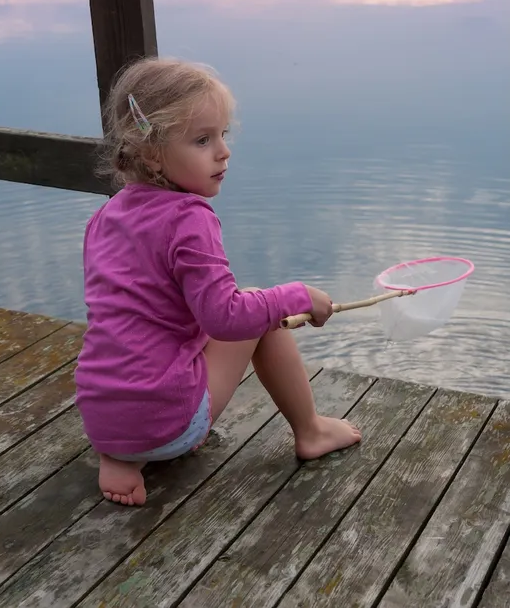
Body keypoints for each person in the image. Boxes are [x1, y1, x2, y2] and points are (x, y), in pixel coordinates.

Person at [75, 57, 361, 506]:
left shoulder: (105, 216)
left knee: (149, 333)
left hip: (101, 418)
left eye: (223, 135)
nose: (223, 151)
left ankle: (122, 460)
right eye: (203, 140)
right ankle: (311, 430)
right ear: (150, 152)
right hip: (169, 424)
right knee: (258, 310)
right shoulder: (189, 218)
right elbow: (227, 318)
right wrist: (295, 296)